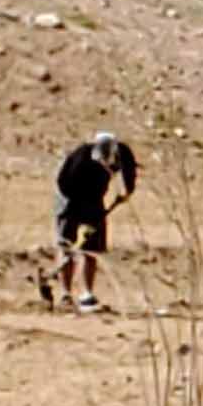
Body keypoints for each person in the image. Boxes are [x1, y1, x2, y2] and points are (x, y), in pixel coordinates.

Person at [53, 131, 139, 313]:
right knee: (66, 244)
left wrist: (127, 192)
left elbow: (129, 173)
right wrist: (81, 221)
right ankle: (65, 294)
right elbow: (66, 187)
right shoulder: (81, 158)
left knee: (91, 248)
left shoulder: (122, 153)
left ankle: (86, 294)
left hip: (94, 198)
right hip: (69, 197)